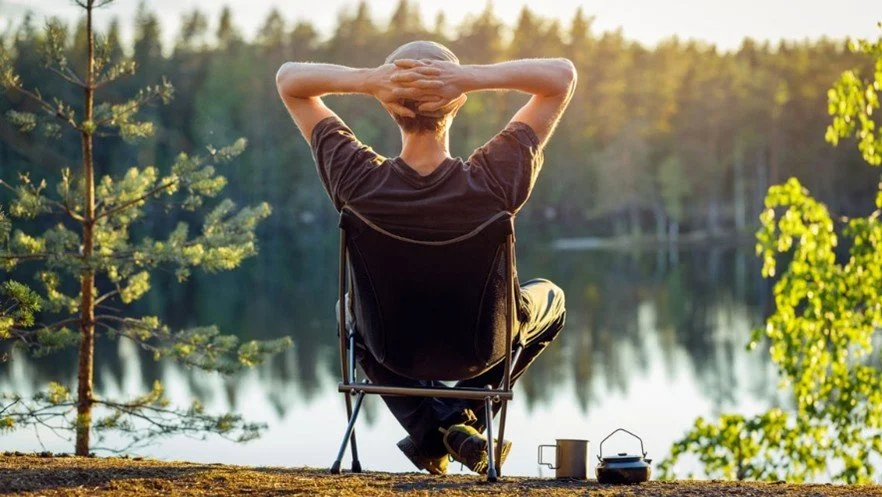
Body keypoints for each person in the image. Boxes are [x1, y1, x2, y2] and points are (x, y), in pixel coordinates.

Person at [276, 41, 576, 475]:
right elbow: (562, 76)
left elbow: (288, 80)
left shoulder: (356, 180)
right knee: (552, 297)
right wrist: (468, 78)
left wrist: (370, 80)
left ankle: (432, 428)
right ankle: (458, 419)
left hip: (393, 351)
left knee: (347, 310)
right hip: (483, 349)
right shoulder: (494, 179)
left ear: (388, 106)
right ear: (457, 104)